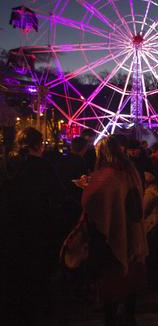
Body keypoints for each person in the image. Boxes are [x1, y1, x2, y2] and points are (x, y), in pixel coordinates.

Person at [77, 136, 148, 326]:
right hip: (132, 231)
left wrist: (86, 187)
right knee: (130, 280)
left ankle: (111, 318)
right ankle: (129, 316)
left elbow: (91, 203)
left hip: (111, 235)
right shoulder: (131, 172)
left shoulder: (105, 176)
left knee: (111, 281)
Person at [1, 127, 66, 325]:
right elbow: (58, 196)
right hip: (36, 228)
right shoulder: (41, 167)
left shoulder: (6, 164)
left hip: (9, 227)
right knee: (36, 274)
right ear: (39, 145)